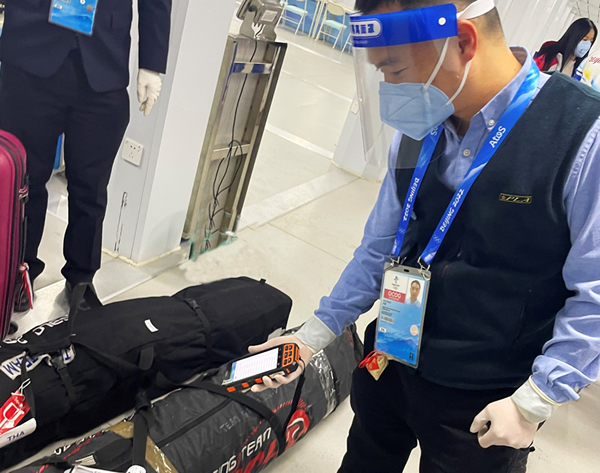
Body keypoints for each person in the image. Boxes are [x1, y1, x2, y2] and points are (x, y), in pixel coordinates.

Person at [248, 0, 600, 472]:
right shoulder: (422, 124)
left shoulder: (582, 137)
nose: (391, 89)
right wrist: (312, 336)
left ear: (463, 43)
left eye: (394, 69)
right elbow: (379, 246)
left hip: (483, 400)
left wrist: (535, 400)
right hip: (391, 355)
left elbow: (595, 291)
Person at [0, 0, 171, 310]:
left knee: (91, 187)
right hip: (30, 47)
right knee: (24, 181)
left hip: (103, 61)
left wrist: (151, 63)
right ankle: (17, 271)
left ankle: (81, 277)